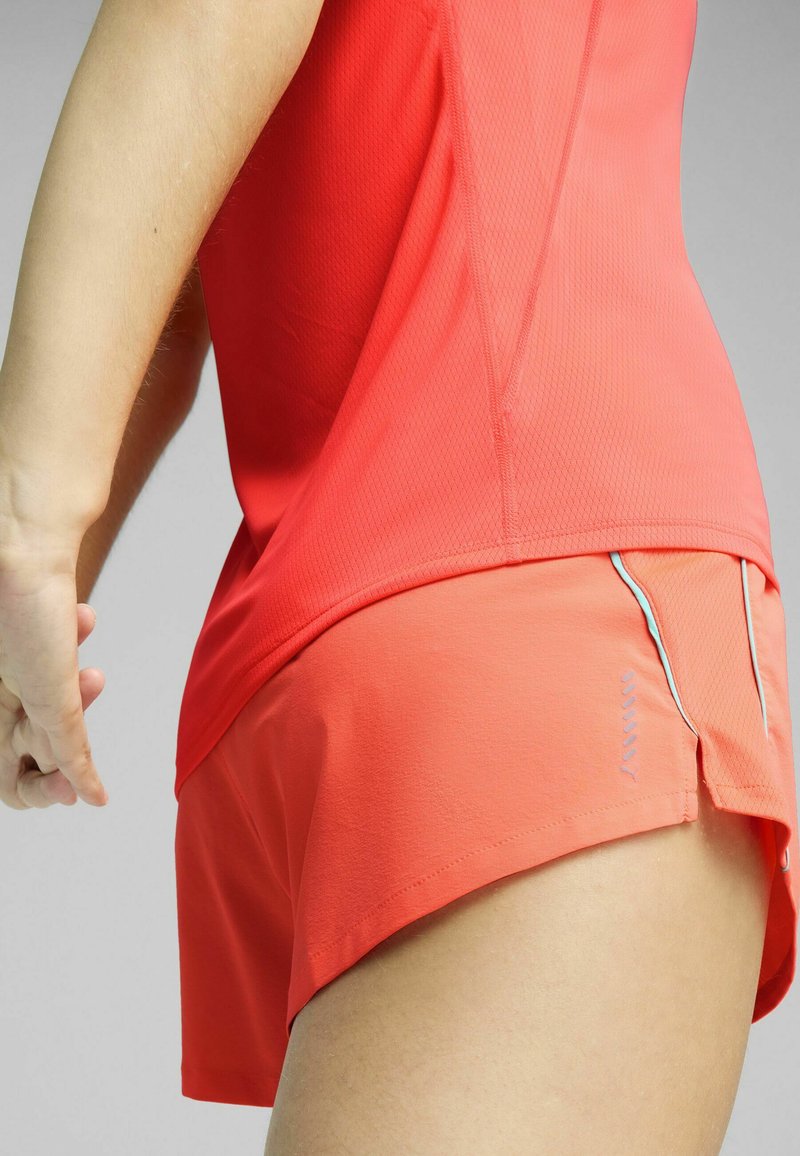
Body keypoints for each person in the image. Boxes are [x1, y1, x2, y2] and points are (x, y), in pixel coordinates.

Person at [0, 1, 796, 1152]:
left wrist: (27, 530)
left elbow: (200, 23)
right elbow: (173, 270)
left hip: (537, 585)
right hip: (389, 616)